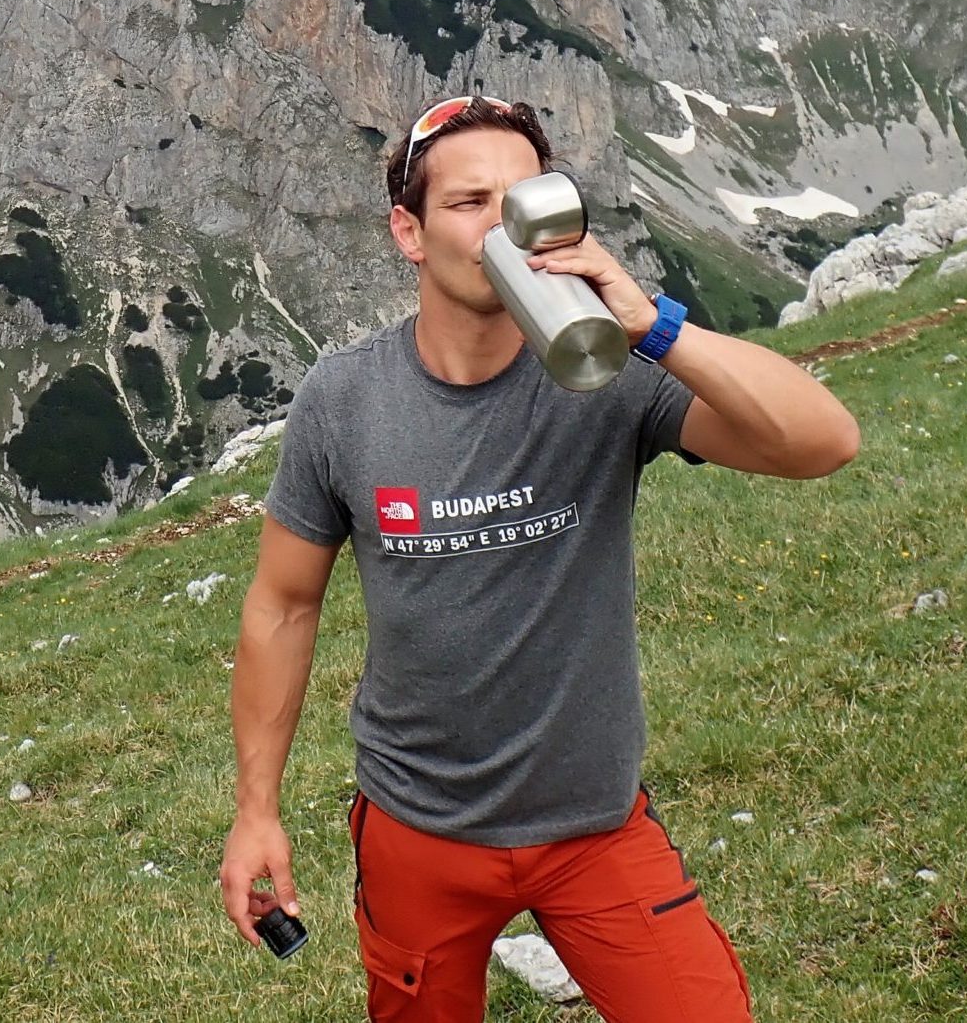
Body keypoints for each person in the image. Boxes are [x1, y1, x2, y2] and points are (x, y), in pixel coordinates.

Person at [218, 95, 859, 1022]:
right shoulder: (344, 400)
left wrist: (654, 326)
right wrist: (256, 811)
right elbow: (281, 605)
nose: (502, 227)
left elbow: (823, 443)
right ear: (410, 230)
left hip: (593, 826)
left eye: (525, 200)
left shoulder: (607, 377)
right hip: (418, 830)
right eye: (470, 202)